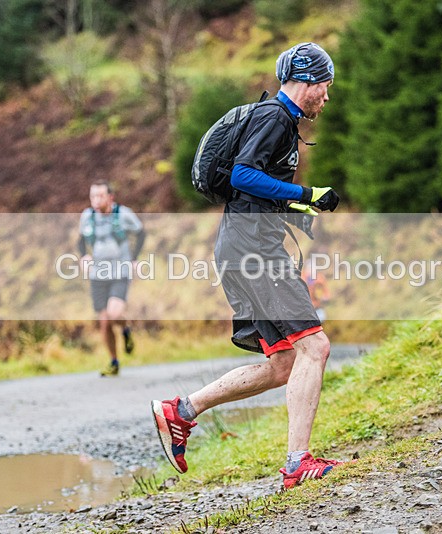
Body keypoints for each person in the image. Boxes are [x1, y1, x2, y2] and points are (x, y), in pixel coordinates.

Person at [151, 42, 345, 489]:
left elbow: (251, 189)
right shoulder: (276, 117)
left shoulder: (278, 120)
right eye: (325, 87)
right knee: (314, 348)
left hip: (242, 246)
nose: (326, 98)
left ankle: (180, 412)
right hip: (254, 251)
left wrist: (294, 209)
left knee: (282, 364)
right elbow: (241, 175)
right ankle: (299, 462)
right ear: (308, 81)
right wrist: (305, 194)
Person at [78, 181, 145, 375]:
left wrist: (134, 259)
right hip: (98, 274)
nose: (96, 200)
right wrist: (84, 256)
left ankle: (125, 330)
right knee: (105, 321)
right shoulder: (87, 216)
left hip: (120, 271)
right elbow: (80, 240)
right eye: (93, 196)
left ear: (110, 197)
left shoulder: (123, 214)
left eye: (100, 196)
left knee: (115, 314)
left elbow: (140, 234)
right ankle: (114, 361)